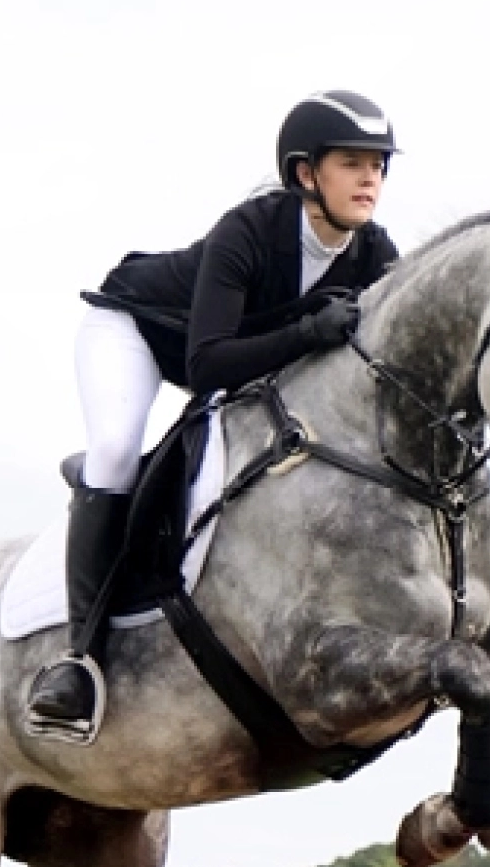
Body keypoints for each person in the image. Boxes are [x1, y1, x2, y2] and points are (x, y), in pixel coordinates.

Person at [26, 89, 402, 743]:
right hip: (139, 332)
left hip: (236, 358)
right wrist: (309, 333)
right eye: (351, 162)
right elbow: (207, 366)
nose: (369, 177)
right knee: (117, 448)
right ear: (305, 173)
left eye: (377, 164)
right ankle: (78, 660)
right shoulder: (250, 231)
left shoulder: (374, 253)